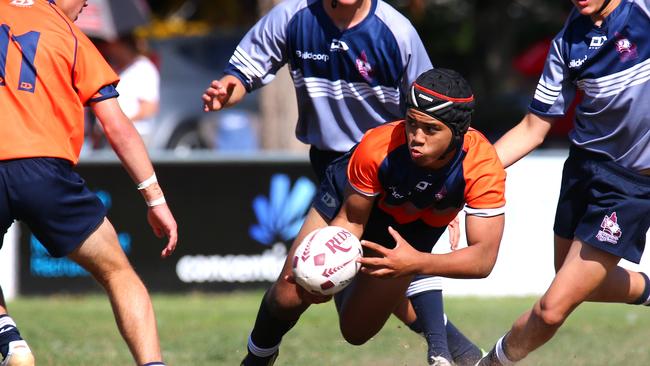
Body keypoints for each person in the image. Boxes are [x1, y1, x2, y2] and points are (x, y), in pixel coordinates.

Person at [201, 0, 482, 364]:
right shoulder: (293, 17)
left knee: (388, 265)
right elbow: (245, 71)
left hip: (395, 168)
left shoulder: (396, 32)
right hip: (335, 166)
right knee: (293, 289)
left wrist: (440, 185)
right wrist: (230, 87)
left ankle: (449, 349)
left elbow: (436, 111)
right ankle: (257, 358)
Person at [233, 67, 506, 365]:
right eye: (411, 123)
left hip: (412, 228)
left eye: (430, 129)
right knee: (289, 293)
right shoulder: (378, 146)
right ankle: (256, 358)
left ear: (458, 133)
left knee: (355, 331)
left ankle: (449, 342)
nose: (416, 137)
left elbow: (483, 260)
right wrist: (328, 274)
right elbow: (351, 221)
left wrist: (416, 263)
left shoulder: (482, 166)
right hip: (353, 208)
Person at [0, 1, 178, 365]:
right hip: (45, 170)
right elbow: (117, 126)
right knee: (118, 272)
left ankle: (10, 340)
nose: (86, 5)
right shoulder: (70, 35)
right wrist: (155, 199)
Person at [476, 0, 650, 364]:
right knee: (568, 279)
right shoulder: (566, 43)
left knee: (552, 308)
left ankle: (489, 362)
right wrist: (467, 178)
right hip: (582, 171)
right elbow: (531, 129)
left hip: (629, 187)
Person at [94, 32, 160, 147]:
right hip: (109, 135)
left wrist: (118, 122)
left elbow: (149, 107)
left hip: (133, 135)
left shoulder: (143, 68)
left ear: (122, 44)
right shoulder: (113, 67)